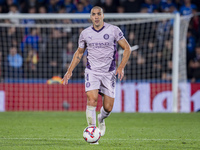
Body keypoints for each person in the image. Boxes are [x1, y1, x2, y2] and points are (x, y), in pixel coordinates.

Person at [62, 6, 131, 143]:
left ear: (103, 16)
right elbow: (79, 53)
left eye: (99, 14)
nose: (96, 17)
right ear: (91, 17)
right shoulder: (85, 33)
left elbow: (127, 48)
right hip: (92, 71)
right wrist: (69, 71)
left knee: (108, 107)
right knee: (92, 99)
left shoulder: (113, 30)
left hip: (109, 73)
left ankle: (101, 118)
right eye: (94, 14)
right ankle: (92, 132)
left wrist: (121, 67)